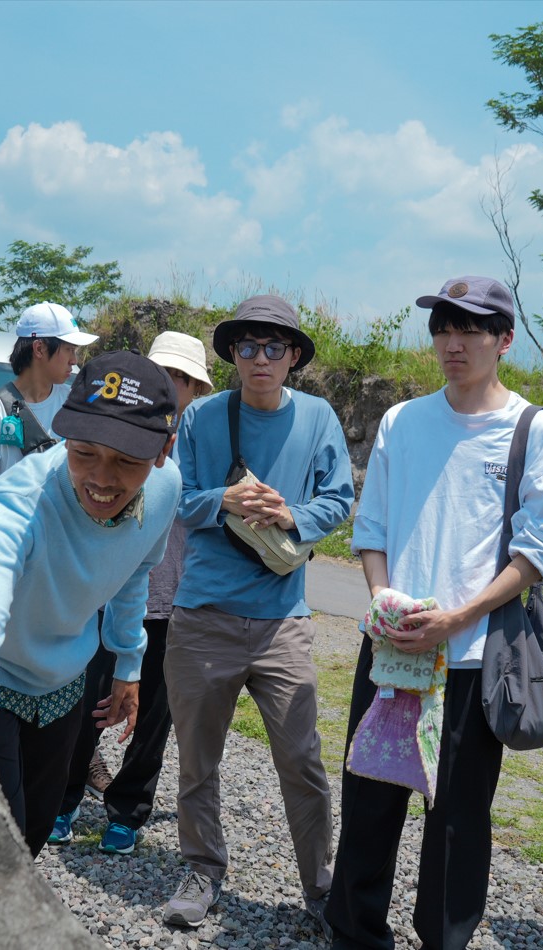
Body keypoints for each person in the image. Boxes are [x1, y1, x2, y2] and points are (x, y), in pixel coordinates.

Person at [324, 276, 543, 950]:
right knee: (369, 802)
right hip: (394, 651)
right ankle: (354, 933)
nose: (453, 343)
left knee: (457, 818)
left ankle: (444, 938)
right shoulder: (403, 420)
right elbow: (369, 531)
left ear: (505, 340)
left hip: (470, 657)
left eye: (471, 330)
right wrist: (380, 599)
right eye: (442, 328)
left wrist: (460, 617)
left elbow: (542, 549)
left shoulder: (532, 428)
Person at [0, 349, 182, 858]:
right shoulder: (19, 501)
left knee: (34, 833)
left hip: (64, 682)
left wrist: (128, 664)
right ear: (65, 434)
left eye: (127, 461)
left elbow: (137, 568)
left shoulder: (166, 487)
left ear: (164, 450)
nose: (102, 479)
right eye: (84, 452)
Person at [160, 295, 354, 931]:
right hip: (202, 613)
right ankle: (201, 868)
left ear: (294, 356)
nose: (260, 359)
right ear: (233, 356)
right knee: (197, 757)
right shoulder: (203, 419)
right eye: (247, 347)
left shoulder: (320, 418)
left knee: (302, 760)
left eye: (275, 348)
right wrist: (227, 499)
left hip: (283, 621)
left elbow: (339, 499)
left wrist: (291, 514)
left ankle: (322, 888)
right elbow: (178, 500)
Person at [48, 331, 215, 855]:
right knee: (88, 703)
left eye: (184, 378)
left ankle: (127, 811)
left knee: (152, 717)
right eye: (165, 372)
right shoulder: (117, 426)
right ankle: (63, 799)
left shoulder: (204, 439)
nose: (173, 384)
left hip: (178, 600)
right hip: (111, 590)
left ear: (195, 388)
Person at [0, 301, 96, 526]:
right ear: (40, 349)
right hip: (13, 540)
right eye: (69, 350)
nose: (74, 361)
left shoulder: (76, 403)